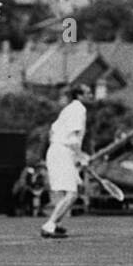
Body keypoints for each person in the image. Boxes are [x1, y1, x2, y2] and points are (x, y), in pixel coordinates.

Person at [40, 85, 93, 238]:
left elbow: (53, 131)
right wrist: (81, 156)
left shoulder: (68, 109)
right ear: (79, 95)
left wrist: (76, 157)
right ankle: (49, 225)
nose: (91, 95)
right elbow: (73, 138)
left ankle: (55, 223)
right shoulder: (79, 109)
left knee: (72, 190)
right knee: (72, 193)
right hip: (62, 152)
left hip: (59, 151)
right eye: (88, 93)